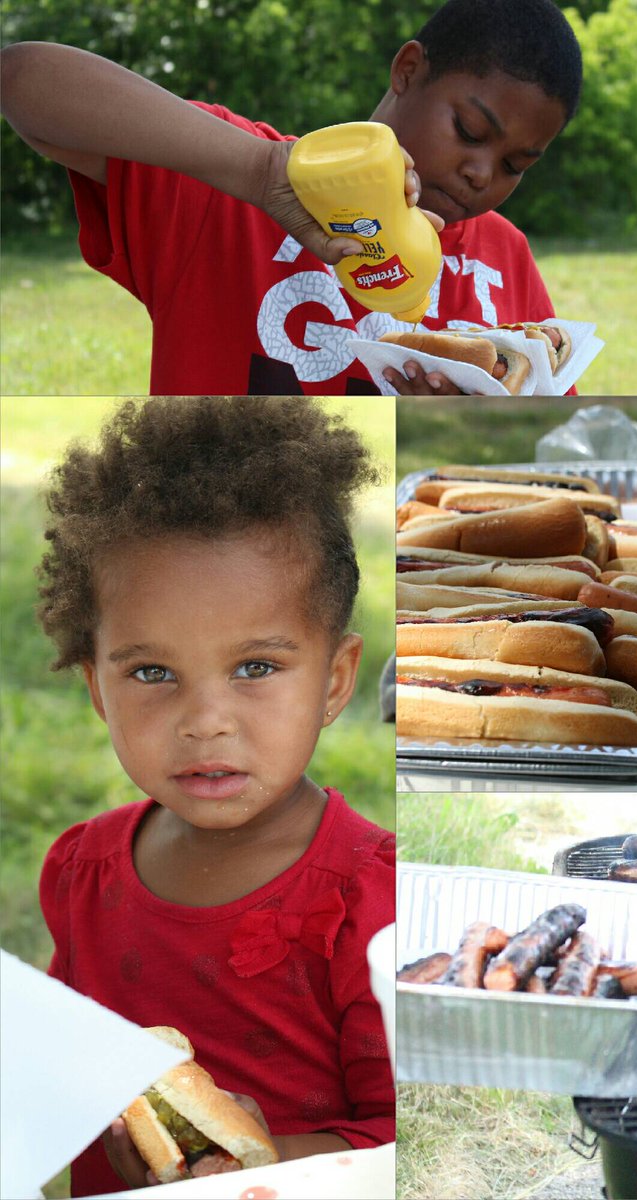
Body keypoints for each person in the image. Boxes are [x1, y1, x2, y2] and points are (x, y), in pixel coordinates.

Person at [35, 397, 394, 1195]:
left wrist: (245, 1161)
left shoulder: (370, 900)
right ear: (97, 687)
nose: (205, 723)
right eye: (152, 673)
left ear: (334, 681)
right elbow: (66, 1058)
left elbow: (400, 1134)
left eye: (256, 668)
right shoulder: (80, 868)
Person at [0, 0, 582, 396]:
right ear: (408, 70)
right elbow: (23, 80)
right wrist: (260, 173)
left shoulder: (504, 255)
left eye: (515, 165)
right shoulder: (229, 181)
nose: (483, 174)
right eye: (470, 133)